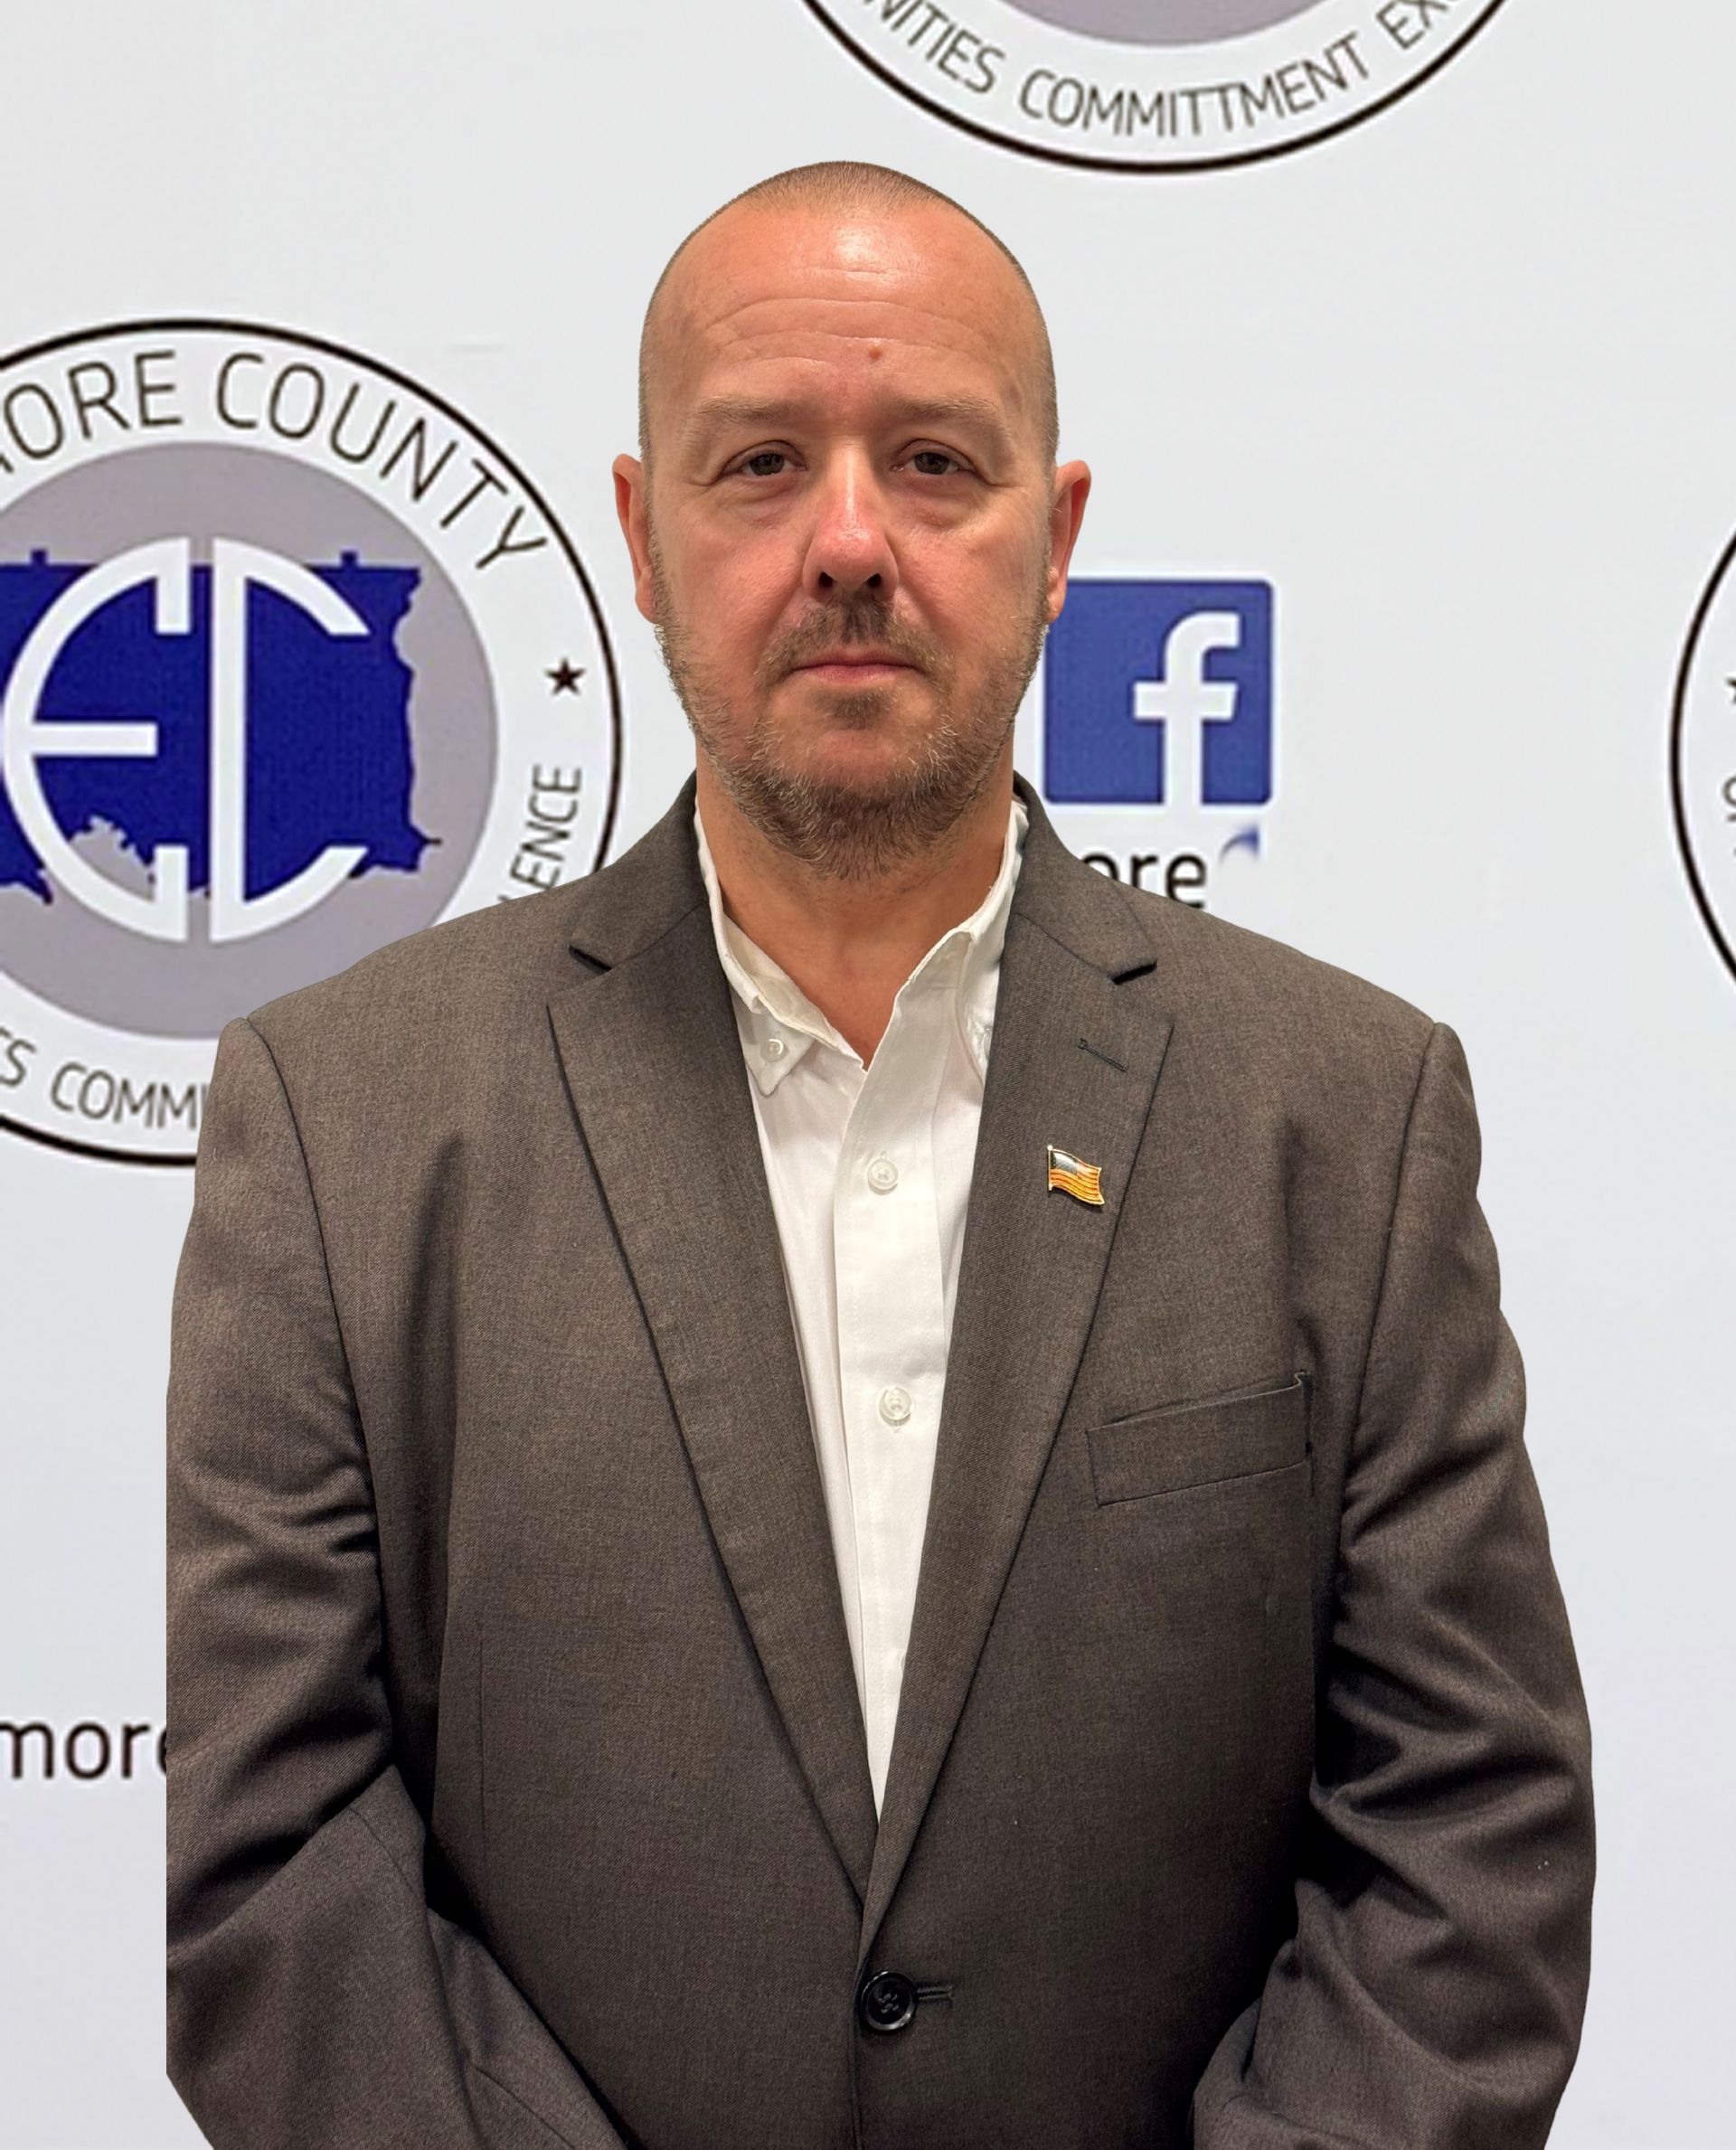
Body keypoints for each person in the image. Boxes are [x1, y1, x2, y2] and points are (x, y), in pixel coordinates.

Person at [165, 161, 1594, 2150]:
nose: (851, 541)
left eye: (934, 461)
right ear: (646, 538)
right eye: (760, 467)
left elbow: (1467, 1841)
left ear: (1056, 536)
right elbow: (278, 1868)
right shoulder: (345, 1119)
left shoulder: (1347, 1115)